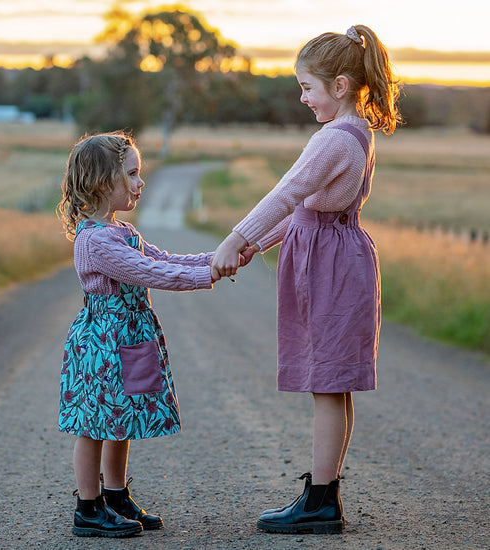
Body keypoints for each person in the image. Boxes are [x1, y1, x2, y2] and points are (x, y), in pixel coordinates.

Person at [211, 25, 401, 535]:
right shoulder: (355, 131)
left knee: (327, 383)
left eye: (307, 87)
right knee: (334, 385)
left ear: (340, 85)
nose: (302, 98)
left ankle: (320, 501)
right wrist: (256, 244)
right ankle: (324, 494)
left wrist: (235, 237)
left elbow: (288, 193)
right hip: (337, 257)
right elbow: (304, 210)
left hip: (332, 268)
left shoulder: (335, 138)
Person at [57, 131, 216, 537]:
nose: (140, 182)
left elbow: (164, 258)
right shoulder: (95, 241)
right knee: (95, 423)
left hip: (130, 336)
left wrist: (216, 258)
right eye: (131, 174)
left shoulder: (122, 230)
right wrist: (207, 276)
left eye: (139, 174)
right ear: (100, 182)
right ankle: (88, 508)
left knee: (122, 418)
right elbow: (151, 272)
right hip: (103, 342)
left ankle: (116, 496)